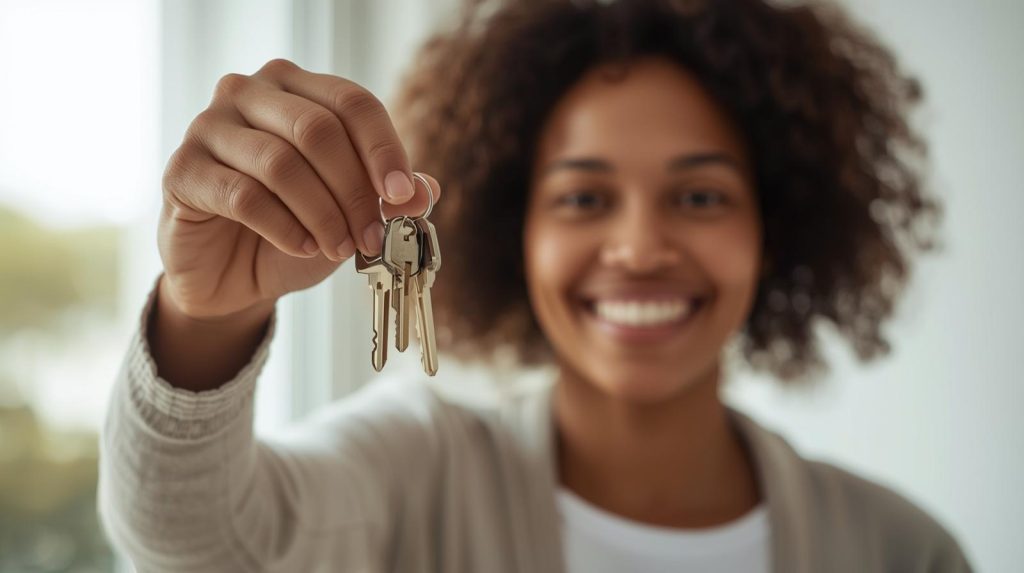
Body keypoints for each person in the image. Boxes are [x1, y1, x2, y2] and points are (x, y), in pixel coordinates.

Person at [98, 0, 972, 571]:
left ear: (774, 227)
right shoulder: (417, 466)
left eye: (700, 195)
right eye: (583, 196)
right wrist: (204, 319)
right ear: (514, 229)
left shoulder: (903, 548)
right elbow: (196, 542)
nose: (637, 246)